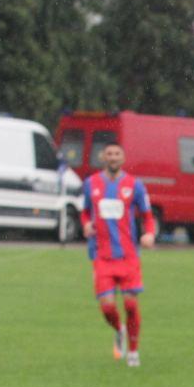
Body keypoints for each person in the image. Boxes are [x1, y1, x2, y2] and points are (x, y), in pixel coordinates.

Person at [81, 142, 155, 368]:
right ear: (103, 156)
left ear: (123, 158)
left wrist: (149, 234)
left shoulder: (135, 185)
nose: (113, 157)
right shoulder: (90, 184)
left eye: (117, 154)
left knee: (131, 305)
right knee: (107, 307)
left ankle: (133, 351)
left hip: (128, 256)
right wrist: (85, 225)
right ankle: (119, 329)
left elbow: (147, 216)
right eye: (109, 153)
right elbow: (85, 212)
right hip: (102, 256)